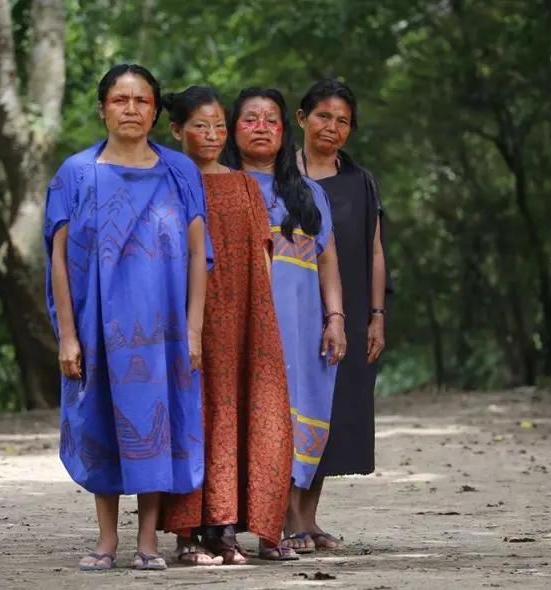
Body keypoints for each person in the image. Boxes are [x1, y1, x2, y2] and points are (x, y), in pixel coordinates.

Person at [43, 64, 213, 572]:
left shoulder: (180, 171)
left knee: (157, 427)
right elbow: (57, 260)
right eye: (121, 99)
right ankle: (105, 540)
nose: (132, 109)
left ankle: (147, 543)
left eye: (142, 101)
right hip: (97, 328)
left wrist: (195, 328)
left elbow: (200, 253)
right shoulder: (76, 173)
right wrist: (68, 335)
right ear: (103, 109)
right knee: (99, 422)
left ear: (157, 112)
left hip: (163, 335)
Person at [159, 86, 299, 564]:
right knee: (196, 417)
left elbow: (264, 259)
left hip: (246, 320)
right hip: (187, 318)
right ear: (176, 130)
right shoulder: (166, 183)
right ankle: (188, 536)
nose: (213, 135)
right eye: (201, 126)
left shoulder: (242, 185)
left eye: (220, 126)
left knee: (251, 416)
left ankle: (233, 530)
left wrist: (263, 330)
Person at [220, 87, 346, 554]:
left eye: (271, 120)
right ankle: (231, 522)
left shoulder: (309, 192)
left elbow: (328, 261)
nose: (261, 127)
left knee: (302, 412)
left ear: (284, 130)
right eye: (250, 118)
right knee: (242, 416)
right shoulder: (222, 185)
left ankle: (291, 520)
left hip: (303, 323)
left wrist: (336, 318)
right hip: (243, 326)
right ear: (233, 130)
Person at [294, 78, 396, 550]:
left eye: (342, 121)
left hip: (348, 312)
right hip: (289, 310)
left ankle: (307, 518)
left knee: (331, 413)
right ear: (301, 119)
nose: (331, 127)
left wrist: (375, 314)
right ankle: (280, 518)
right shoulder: (275, 175)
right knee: (287, 411)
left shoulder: (361, 182)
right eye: (322, 116)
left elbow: (375, 252)